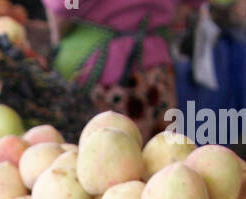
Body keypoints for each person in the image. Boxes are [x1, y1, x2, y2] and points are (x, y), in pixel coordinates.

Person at [43, 0, 200, 141]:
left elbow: (62, 6)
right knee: (159, 160)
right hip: (157, 74)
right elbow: (187, 7)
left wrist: (58, 37)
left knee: (93, 156)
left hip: (101, 73)